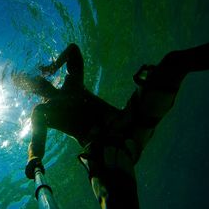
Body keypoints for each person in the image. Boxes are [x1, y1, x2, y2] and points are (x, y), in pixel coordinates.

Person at [12, 42, 209, 209]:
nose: (37, 82)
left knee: (173, 63)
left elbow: (73, 50)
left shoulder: (71, 85)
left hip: (127, 121)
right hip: (104, 148)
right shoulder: (42, 111)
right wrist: (33, 158)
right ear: (34, 91)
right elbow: (36, 143)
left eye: (35, 79)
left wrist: (54, 66)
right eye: (32, 83)